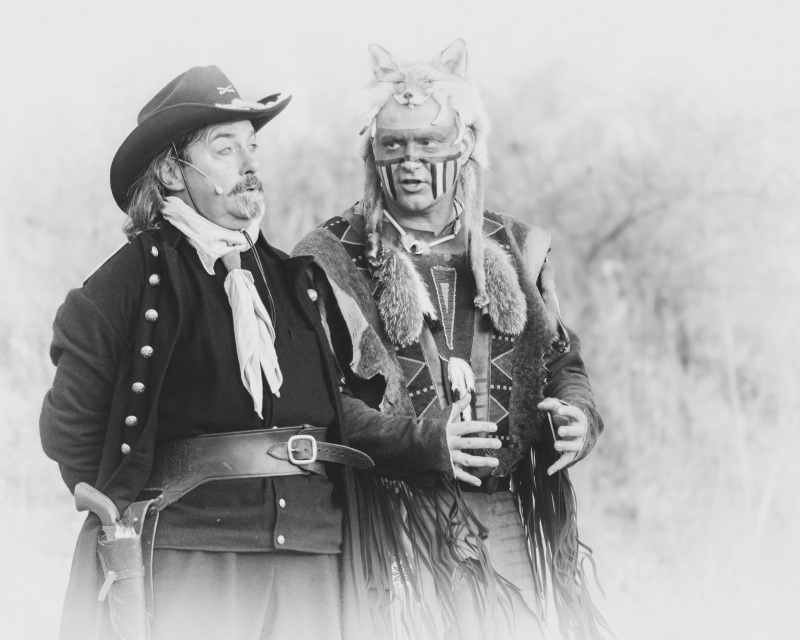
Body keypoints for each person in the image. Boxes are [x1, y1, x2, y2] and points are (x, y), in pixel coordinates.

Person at [39, 65, 379, 640]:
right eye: (225, 149)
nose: (250, 165)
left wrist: (430, 445)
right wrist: (122, 509)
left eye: (252, 147)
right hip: (190, 558)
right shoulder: (126, 285)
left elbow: (344, 415)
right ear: (174, 172)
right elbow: (69, 430)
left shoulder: (297, 282)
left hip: (314, 556)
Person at [294, 40, 608, 639]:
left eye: (429, 142)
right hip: (393, 520)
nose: (411, 161)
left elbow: (561, 358)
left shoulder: (515, 244)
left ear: (465, 145)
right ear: (372, 152)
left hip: (506, 509)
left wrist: (578, 413)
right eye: (394, 145)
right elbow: (320, 406)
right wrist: (421, 442)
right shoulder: (329, 258)